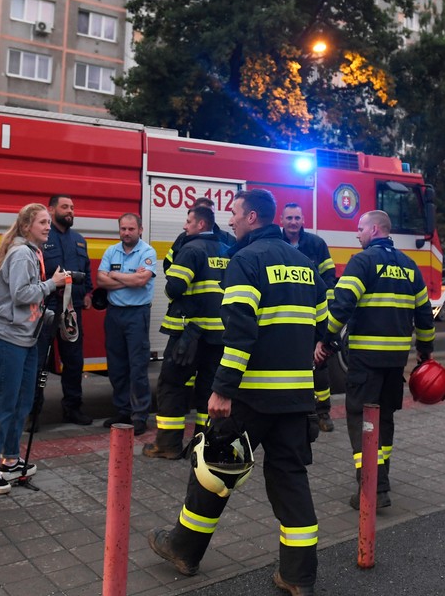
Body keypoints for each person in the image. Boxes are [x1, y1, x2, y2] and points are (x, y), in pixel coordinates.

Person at [148, 189, 328, 596]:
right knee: (290, 481)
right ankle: (298, 575)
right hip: (295, 397)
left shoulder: (244, 261)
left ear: (251, 217)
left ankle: (183, 549)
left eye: (233, 214)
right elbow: (321, 330)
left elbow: (241, 331)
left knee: (213, 472)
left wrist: (223, 389)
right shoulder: (306, 264)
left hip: (250, 395)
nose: (229, 221)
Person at [317, 210, 435, 510]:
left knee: (360, 419)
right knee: (385, 419)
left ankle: (373, 487)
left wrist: (326, 339)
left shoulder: (362, 262)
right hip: (396, 362)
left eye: (360, 229)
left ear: (374, 229)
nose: (357, 234)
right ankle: (381, 479)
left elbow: (342, 304)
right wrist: (425, 351)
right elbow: (424, 315)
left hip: (366, 360)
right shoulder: (410, 267)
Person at [0, 204, 68, 494]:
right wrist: (51, 284)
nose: (47, 226)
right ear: (27, 225)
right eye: (42, 222)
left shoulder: (31, 252)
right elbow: (20, 295)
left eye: (48, 222)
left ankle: (10, 460)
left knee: (22, 401)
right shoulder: (20, 254)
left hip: (27, 337)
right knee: (5, 402)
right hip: (9, 339)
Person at [144, 205, 228, 459]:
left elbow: (175, 286)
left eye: (189, 221)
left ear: (200, 224)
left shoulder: (191, 248)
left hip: (189, 333)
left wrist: (171, 289)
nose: (184, 226)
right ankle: (203, 445)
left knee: (172, 385)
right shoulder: (227, 248)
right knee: (207, 389)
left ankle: (167, 445)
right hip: (219, 334)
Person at [96, 213, 158, 436]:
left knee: (138, 367)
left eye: (131, 229)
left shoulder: (148, 252)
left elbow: (142, 281)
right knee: (117, 367)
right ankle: (123, 411)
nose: (126, 233)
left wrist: (114, 275)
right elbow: (100, 280)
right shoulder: (111, 251)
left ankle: (140, 416)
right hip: (114, 315)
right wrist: (127, 279)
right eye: (123, 229)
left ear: (140, 230)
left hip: (137, 315)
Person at [281, 203, 338, 433]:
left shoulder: (316, 244)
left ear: (302, 219)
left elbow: (329, 279)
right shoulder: (276, 243)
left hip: (313, 315)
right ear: (281, 221)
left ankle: (323, 412)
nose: (293, 222)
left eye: (297, 217)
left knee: (319, 364)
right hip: (284, 316)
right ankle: (294, 411)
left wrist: (326, 313)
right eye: (289, 218)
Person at [38, 194, 93, 426]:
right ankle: (33, 413)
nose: (70, 211)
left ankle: (73, 408)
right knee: (39, 362)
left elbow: (87, 269)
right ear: (51, 210)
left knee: (74, 362)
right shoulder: (42, 239)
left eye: (72, 207)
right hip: (47, 307)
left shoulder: (79, 240)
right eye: (65, 207)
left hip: (72, 310)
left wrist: (88, 292)